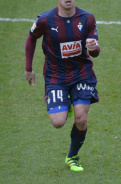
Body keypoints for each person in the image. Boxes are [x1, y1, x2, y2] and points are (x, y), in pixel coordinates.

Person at [25, 0, 100, 172]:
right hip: (56, 77)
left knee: (81, 118)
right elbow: (31, 38)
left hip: (81, 74)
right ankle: (67, 102)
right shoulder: (45, 20)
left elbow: (95, 53)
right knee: (58, 122)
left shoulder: (88, 18)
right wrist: (28, 69)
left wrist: (94, 47)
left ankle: (72, 156)